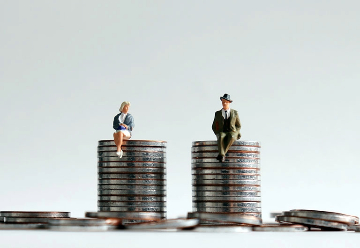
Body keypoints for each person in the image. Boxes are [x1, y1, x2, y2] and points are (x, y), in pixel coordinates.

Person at [212, 94, 241, 162]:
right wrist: (217, 133)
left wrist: (236, 132)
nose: (224, 103)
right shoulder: (218, 113)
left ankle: (221, 154)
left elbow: (238, 125)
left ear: (229, 102)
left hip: (232, 131)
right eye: (223, 102)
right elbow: (214, 125)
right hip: (222, 131)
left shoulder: (235, 113)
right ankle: (222, 155)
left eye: (226, 102)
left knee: (232, 136)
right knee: (221, 136)